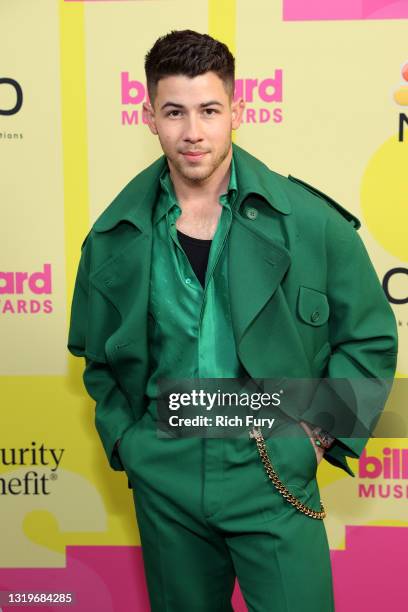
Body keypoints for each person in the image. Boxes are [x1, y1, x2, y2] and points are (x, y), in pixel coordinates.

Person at [67, 29, 398, 612]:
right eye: (174, 112)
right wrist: (130, 443)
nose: (192, 132)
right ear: (149, 116)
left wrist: (315, 436)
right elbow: (98, 361)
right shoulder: (113, 236)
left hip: (272, 468)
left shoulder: (311, 223)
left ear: (237, 111)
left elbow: (369, 337)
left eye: (209, 110)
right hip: (164, 475)